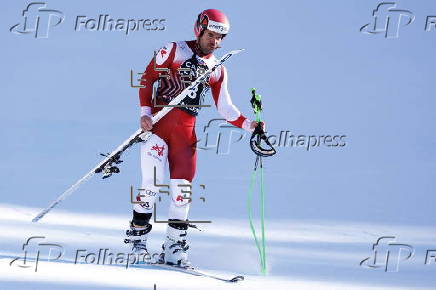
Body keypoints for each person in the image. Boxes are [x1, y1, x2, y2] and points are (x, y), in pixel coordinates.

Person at [125, 9, 262, 267]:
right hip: (157, 130)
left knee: (182, 193)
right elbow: (147, 78)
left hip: (185, 137)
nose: (216, 42)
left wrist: (249, 124)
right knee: (151, 185)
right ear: (199, 30)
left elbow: (225, 108)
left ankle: (174, 246)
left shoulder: (217, 69)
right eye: (211, 35)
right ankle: (137, 242)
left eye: (221, 38)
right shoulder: (174, 50)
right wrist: (145, 114)